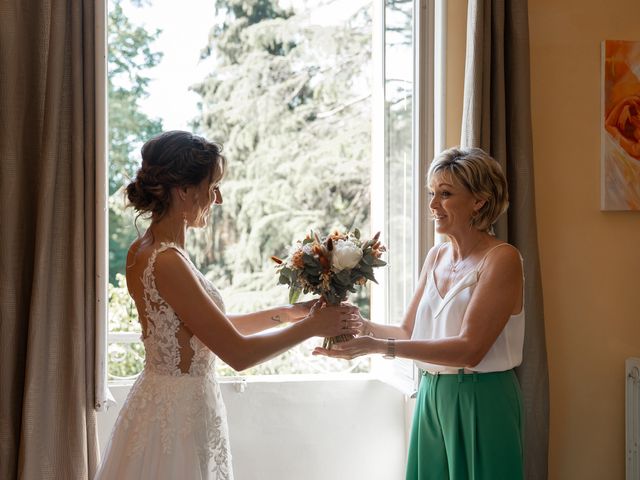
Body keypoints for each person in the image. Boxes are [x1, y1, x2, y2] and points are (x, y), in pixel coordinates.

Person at [95, 131, 359, 480]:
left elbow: (205, 329)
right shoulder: (167, 261)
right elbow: (238, 354)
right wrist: (312, 327)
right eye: (212, 185)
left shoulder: (147, 249)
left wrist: (290, 312)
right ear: (184, 190)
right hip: (175, 419)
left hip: (169, 402)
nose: (217, 199)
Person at [315, 147, 525, 480]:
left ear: (479, 201)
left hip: (482, 399)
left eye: (445, 194)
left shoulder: (502, 259)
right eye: (432, 193)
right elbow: (406, 331)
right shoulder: (437, 256)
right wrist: (355, 323)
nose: (432, 205)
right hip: (431, 395)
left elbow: (470, 349)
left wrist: (377, 348)